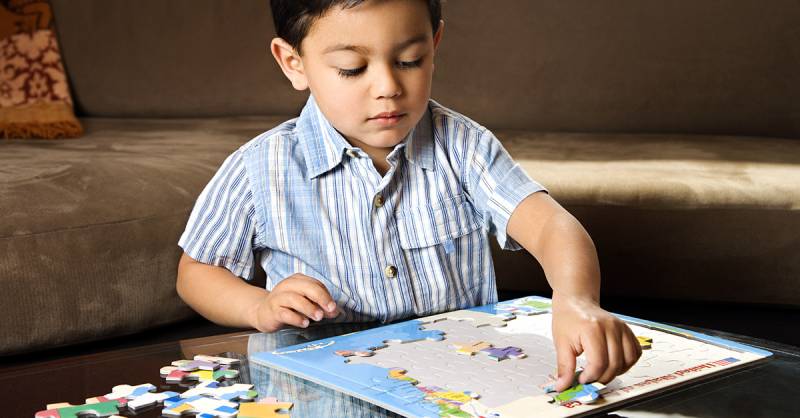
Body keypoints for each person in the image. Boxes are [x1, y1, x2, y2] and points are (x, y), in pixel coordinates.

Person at [176, 0, 641, 392]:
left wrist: (577, 299)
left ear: (434, 45)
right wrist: (258, 306)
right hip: (324, 386)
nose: (388, 88)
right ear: (293, 62)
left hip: (460, 383)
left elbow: (551, 225)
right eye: (352, 69)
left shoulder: (463, 146)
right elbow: (197, 272)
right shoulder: (260, 167)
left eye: (409, 61)